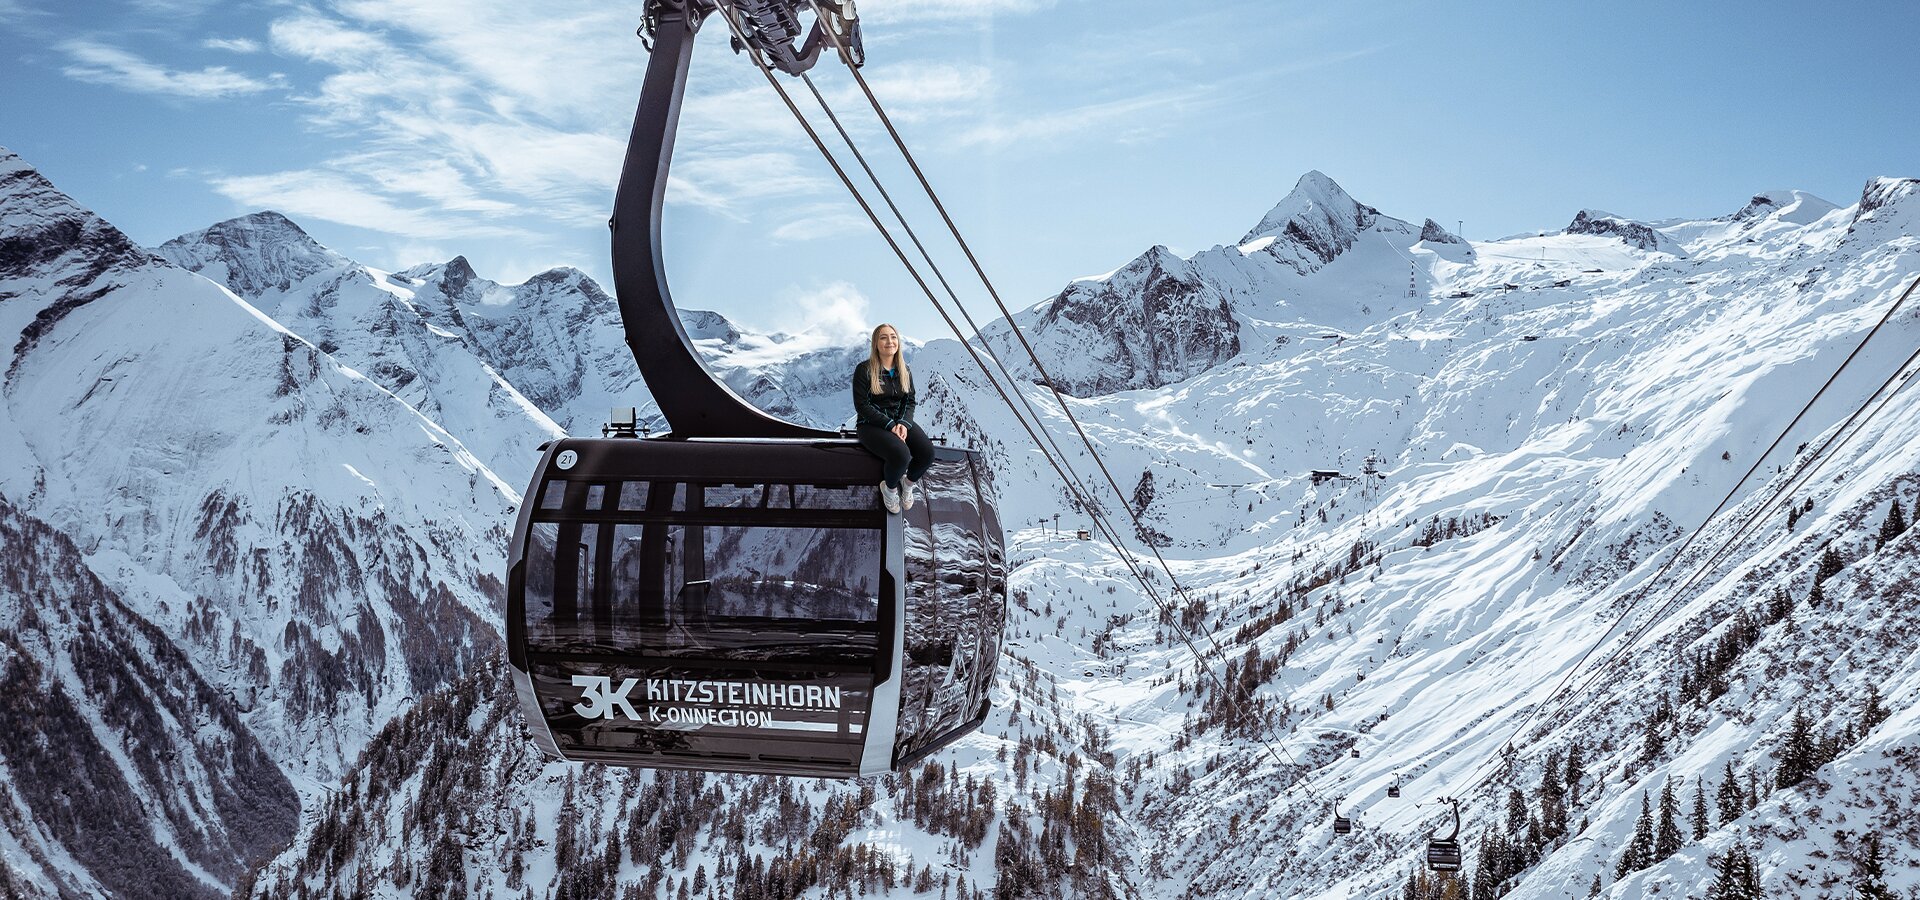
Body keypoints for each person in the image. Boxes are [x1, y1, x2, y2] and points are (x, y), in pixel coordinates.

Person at [852, 323, 932, 514]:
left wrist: (903, 423)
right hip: (871, 425)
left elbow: (909, 401)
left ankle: (908, 484)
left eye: (893, 337)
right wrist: (889, 425)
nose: (890, 341)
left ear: (898, 342)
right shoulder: (864, 370)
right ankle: (889, 489)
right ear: (876, 344)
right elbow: (862, 406)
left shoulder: (905, 369)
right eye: (883, 337)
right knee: (901, 455)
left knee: (927, 453)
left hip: (899, 422)